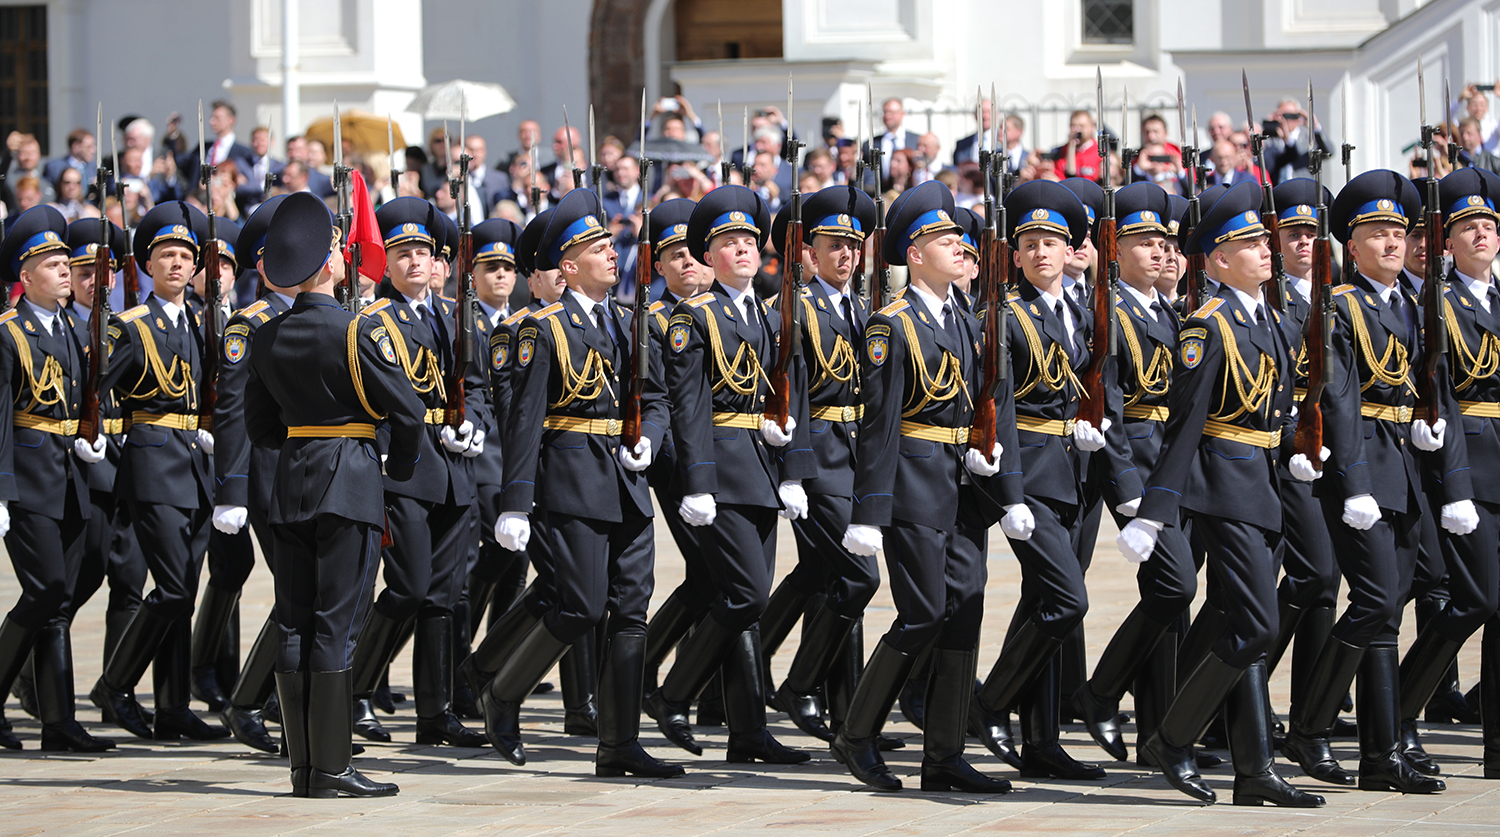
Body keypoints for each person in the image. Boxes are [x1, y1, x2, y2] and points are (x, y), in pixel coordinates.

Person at [1122, 181, 1321, 807]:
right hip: (1223, 489)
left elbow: (1278, 405)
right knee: (1258, 627)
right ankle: (1173, 737)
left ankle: (1253, 769)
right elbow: (1182, 428)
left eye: (1265, 242)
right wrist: (1155, 512)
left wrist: (1301, 448)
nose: (1267, 250)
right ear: (1217, 259)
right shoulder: (1207, 327)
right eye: (1251, 243)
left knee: (1246, 626)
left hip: (1266, 484)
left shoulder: (1269, 318)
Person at [480, 189, 682, 778]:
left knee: (630, 611)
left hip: (626, 481)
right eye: (597, 248)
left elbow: (659, 396)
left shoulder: (629, 321)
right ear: (568, 267)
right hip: (569, 479)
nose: (611, 254)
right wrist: (515, 501)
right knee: (580, 605)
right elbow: (522, 420)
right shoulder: (541, 329)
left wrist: (652, 435)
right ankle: (504, 693)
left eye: (609, 244)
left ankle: (619, 744)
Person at [833, 180, 1019, 793]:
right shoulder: (893, 325)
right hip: (913, 483)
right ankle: (857, 734)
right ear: (915, 254)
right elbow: (881, 426)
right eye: (944, 239)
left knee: (964, 610)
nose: (959, 246)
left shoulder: (965, 319)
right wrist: (868, 510)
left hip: (964, 486)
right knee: (921, 613)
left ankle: (943, 755)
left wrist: (992, 463)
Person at [1277, 171, 1455, 795]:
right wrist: (1351, 482)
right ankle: (1310, 723)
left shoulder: (1409, 305)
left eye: (1397, 234)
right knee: (1377, 600)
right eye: (1375, 233)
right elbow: (1342, 400)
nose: (1390, 243)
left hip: (1403, 464)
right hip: (1361, 469)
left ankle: (1381, 756)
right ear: (1350, 247)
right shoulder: (1341, 307)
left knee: (1391, 610)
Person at [243, 190, 424, 797]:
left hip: (290, 483)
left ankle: (303, 768)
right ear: (326, 265)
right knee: (337, 626)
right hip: (349, 481)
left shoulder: (266, 337)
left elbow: (260, 427)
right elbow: (409, 412)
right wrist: (393, 471)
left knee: (294, 623)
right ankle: (334, 767)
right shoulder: (355, 332)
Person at [646, 185, 814, 765]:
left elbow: (793, 396)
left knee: (748, 600)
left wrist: (793, 468)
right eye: (726, 242)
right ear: (709, 256)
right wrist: (697, 481)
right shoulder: (694, 318)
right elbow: (689, 406)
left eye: (747, 240)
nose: (740, 249)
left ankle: (746, 731)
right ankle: (672, 693)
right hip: (720, 471)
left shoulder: (769, 314)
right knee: (744, 593)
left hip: (764, 468)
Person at [974, 179, 1109, 781]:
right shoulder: (1004, 315)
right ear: (1016, 254)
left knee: (1041, 601)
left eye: (1051, 241)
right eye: (1029, 242)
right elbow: (997, 406)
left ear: (1069, 248)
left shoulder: (1082, 311)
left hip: (1076, 474)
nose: (1040, 252)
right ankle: (989, 702)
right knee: (1067, 599)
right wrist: (1009, 493)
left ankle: (1042, 740)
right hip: (1029, 476)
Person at [346, 197, 490, 749]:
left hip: (453, 466)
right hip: (401, 467)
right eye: (402, 252)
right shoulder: (376, 319)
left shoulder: (456, 316)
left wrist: (472, 423)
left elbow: (474, 383)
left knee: (444, 595)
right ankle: (357, 689)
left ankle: (435, 711)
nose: (413, 263)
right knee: (406, 585)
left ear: (438, 262)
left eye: (422, 253)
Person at [89, 201, 227, 742]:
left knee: (185, 590)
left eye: (185, 255)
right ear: (148, 265)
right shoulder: (130, 326)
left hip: (194, 466)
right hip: (151, 464)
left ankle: (172, 706)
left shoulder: (199, 322)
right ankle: (115, 684)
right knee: (170, 587)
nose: (177, 264)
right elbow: (95, 393)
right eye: (166, 255)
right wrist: (104, 434)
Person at [1071, 181, 1199, 767]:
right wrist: (1124, 491)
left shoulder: (1169, 311)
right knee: (1176, 586)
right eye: (1142, 241)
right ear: (1114, 249)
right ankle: (1099, 692)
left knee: (1170, 602)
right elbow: (1109, 406)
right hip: (1140, 469)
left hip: (1175, 466)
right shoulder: (1110, 312)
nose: (1157, 251)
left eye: (1163, 241)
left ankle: (1160, 730)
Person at [758, 186, 885, 745]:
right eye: (834, 245)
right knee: (859, 575)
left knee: (825, 576)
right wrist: (793, 469)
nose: (846, 256)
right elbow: (793, 394)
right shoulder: (795, 308)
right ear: (809, 251)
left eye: (853, 245)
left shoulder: (864, 309)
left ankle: (845, 713)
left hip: (859, 459)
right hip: (822, 460)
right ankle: (800, 684)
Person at [0, 206, 113, 752]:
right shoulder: (9, 333)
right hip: (25, 477)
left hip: (67, 473)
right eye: (51, 263)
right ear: (25, 277)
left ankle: (58, 722)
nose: (66, 270)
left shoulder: (72, 326)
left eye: (66, 261)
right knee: (43, 590)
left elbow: (77, 401)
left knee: (60, 599)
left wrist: (90, 438)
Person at [1400, 167, 1500, 776]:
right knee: (1477, 600)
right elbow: (1443, 399)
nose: (1482, 233)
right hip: (1470, 470)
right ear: (1447, 242)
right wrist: (1455, 485)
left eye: (1489, 223)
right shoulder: (1436, 304)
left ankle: (1495, 749)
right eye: (1468, 225)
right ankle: (1397, 706)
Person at [206, 195, 298, 754]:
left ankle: (283, 711)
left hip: (317, 471)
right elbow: (233, 410)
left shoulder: (323, 313)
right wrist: (232, 488)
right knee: (294, 593)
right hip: (269, 475)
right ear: (263, 264)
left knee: (308, 597)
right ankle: (249, 704)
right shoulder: (252, 323)